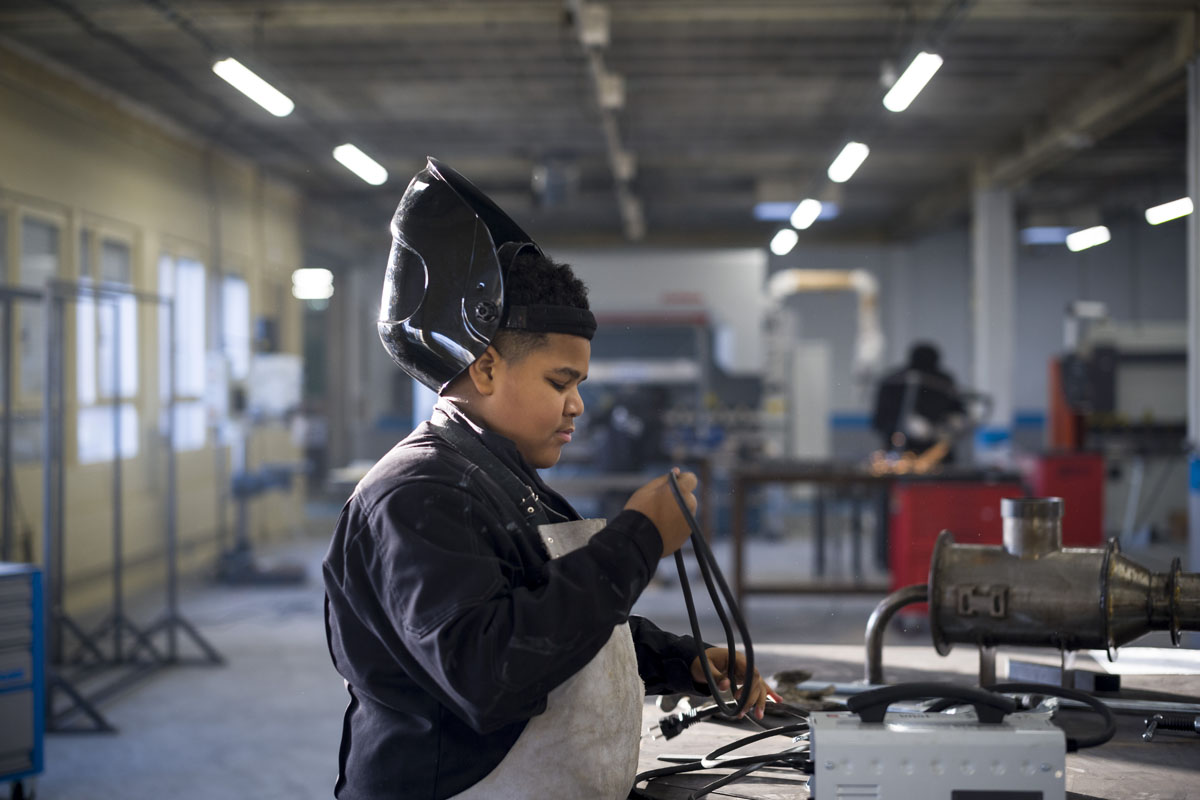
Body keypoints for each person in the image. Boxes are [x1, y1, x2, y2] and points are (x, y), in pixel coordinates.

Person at [323, 157, 776, 800]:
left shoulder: (502, 477)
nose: (576, 405)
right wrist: (639, 538)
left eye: (579, 385)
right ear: (484, 368)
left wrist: (681, 661)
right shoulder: (419, 495)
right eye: (559, 382)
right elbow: (489, 674)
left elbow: (549, 620)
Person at [870, 342, 966, 466]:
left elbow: (957, 411)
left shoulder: (942, 381)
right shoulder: (895, 382)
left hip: (936, 452)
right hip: (899, 452)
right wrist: (905, 425)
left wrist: (952, 424)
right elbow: (880, 420)